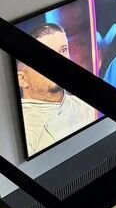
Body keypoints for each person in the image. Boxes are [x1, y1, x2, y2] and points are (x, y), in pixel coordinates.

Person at [17, 22, 96, 157]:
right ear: (22, 79)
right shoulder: (22, 132)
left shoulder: (88, 106)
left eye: (63, 50)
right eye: (45, 57)